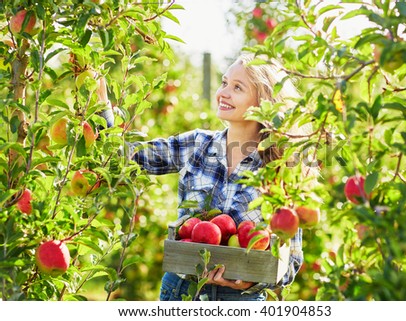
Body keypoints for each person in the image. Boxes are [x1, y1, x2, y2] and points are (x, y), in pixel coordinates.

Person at [99, 53, 304, 301]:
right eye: (224, 82)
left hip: (239, 301)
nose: (223, 93)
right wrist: (101, 104)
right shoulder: (197, 145)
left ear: (264, 103)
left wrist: (252, 281)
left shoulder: (279, 167)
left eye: (237, 87)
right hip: (180, 290)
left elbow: (291, 259)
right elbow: (127, 158)